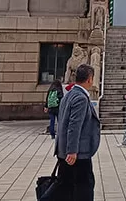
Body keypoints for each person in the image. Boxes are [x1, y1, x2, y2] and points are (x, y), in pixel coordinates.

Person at [40, 64, 101, 201]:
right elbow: (74, 126)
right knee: (84, 185)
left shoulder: (69, 95)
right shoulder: (80, 98)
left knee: (64, 184)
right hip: (78, 153)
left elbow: (63, 123)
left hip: (65, 151)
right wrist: (72, 150)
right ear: (90, 79)